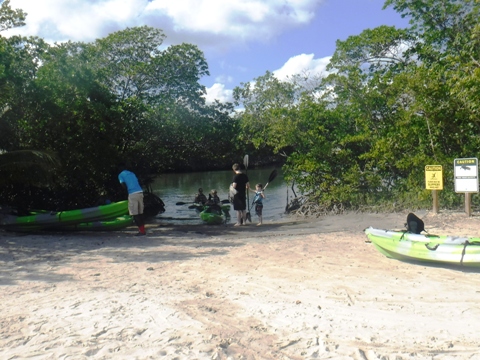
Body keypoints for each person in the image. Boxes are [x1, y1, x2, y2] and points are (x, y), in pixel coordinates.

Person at [118, 163, 146, 236]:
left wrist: (125, 192)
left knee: (135, 214)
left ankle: (141, 232)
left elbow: (123, 185)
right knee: (140, 213)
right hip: (140, 192)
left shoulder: (120, 175)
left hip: (132, 193)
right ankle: (143, 230)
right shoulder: (132, 173)